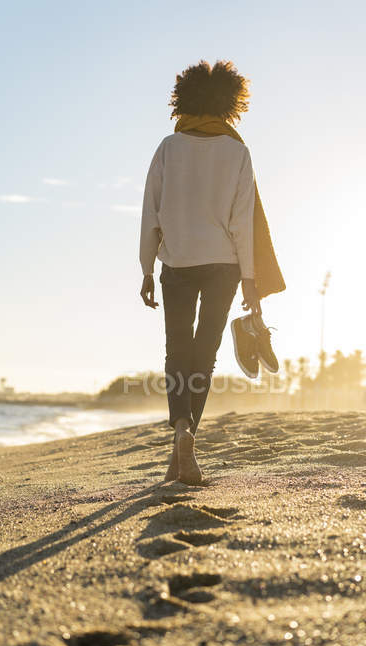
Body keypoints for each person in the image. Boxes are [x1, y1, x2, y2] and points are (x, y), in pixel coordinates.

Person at [139, 60, 262, 486]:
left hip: (176, 262)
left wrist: (146, 270)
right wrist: (250, 278)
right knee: (205, 355)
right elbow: (243, 221)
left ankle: (180, 430)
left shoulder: (168, 149)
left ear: (184, 101)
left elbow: (150, 215)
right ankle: (190, 441)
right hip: (224, 264)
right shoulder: (238, 152)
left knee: (177, 351)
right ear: (230, 103)